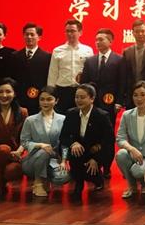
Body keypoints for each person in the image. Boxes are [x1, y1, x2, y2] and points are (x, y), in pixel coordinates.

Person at [80, 28, 124, 178]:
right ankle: (93, 164)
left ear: (110, 41)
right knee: (93, 134)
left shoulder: (119, 60)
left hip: (110, 103)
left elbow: (122, 82)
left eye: (101, 39)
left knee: (107, 136)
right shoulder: (90, 61)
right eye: (96, 39)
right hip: (92, 104)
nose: (98, 42)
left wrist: (119, 102)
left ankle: (106, 166)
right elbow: (84, 83)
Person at [59, 84, 114, 201]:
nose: (78, 100)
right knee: (75, 154)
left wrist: (96, 159)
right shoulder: (71, 113)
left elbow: (108, 141)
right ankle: (78, 185)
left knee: (90, 173)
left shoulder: (102, 116)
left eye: (82, 97)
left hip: (95, 152)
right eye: (76, 97)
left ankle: (98, 179)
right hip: (78, 151)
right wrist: (73, 143)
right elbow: (63, 136)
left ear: (92, 98)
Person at [115, 81, 145, 199]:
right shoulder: (127, 115)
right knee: (121, 155)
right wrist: (131, 149)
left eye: (143, 94)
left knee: (138, 171)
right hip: (134, 155)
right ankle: (132, 186)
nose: (139, 98)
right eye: (135, 95)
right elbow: (120, 138)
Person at [20, 86, 70, 196]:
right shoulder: (30, 120)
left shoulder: (63, 119)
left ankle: (46, 179)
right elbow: (24, 142)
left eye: (49, 99)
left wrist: (63, 161)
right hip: (33, 160)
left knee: (63, 177)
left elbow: (65, 143)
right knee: (44, 150)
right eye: (42, 99)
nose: (45, 102)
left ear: (56, 101)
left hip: (53, 160)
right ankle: (38, 182)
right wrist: (40, 145)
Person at [47, 19, 94, 114]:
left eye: (72, 31)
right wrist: (50, 94)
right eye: (67, 31)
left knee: (80, 117)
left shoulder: (88, 50)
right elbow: (53, 74)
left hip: (81, 91)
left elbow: (91, 73)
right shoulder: (57, 50)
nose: (69, 34)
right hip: (62, 91)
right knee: (62, 117)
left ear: (80, 32)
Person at [10, 23, 51, 116]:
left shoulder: (47, 57)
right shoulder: (15, 56)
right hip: (19, 98)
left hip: (38, 98)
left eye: (32, 34)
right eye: (26, 34)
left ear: (39, 37)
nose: (29, 37)